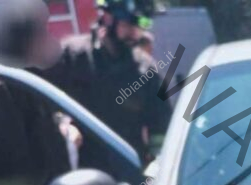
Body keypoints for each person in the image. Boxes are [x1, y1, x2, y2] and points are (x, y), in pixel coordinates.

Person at [44, 0, 172, 166]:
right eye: (128, 24)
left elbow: (161, 128)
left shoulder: (146, 71)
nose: (135, 33)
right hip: (77, 172)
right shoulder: (71, 57)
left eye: (142, 25)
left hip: (127, 172)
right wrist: (61, 122)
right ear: (107, 17)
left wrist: (157, 165)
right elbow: (39, 101)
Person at [0, 0, 73, 185]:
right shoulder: (0, 92)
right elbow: (12, 170)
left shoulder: (25, 82)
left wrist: (62, 128)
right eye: (40, 36)